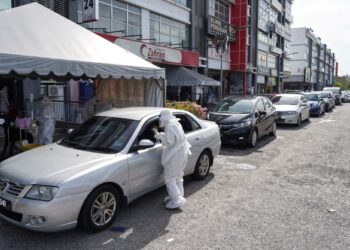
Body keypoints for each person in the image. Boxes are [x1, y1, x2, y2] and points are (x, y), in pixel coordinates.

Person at [154, 109, 192, 210]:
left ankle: (176, 200)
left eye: (160, 117)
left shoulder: (169, 126)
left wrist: (160, 137)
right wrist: (161, 135)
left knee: (170, 178)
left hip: (175, 155)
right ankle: (178, 195)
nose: (160, 120)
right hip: (182, 153)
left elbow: (169, 142)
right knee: (178, 175)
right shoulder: (176, 124)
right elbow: (175, 138)